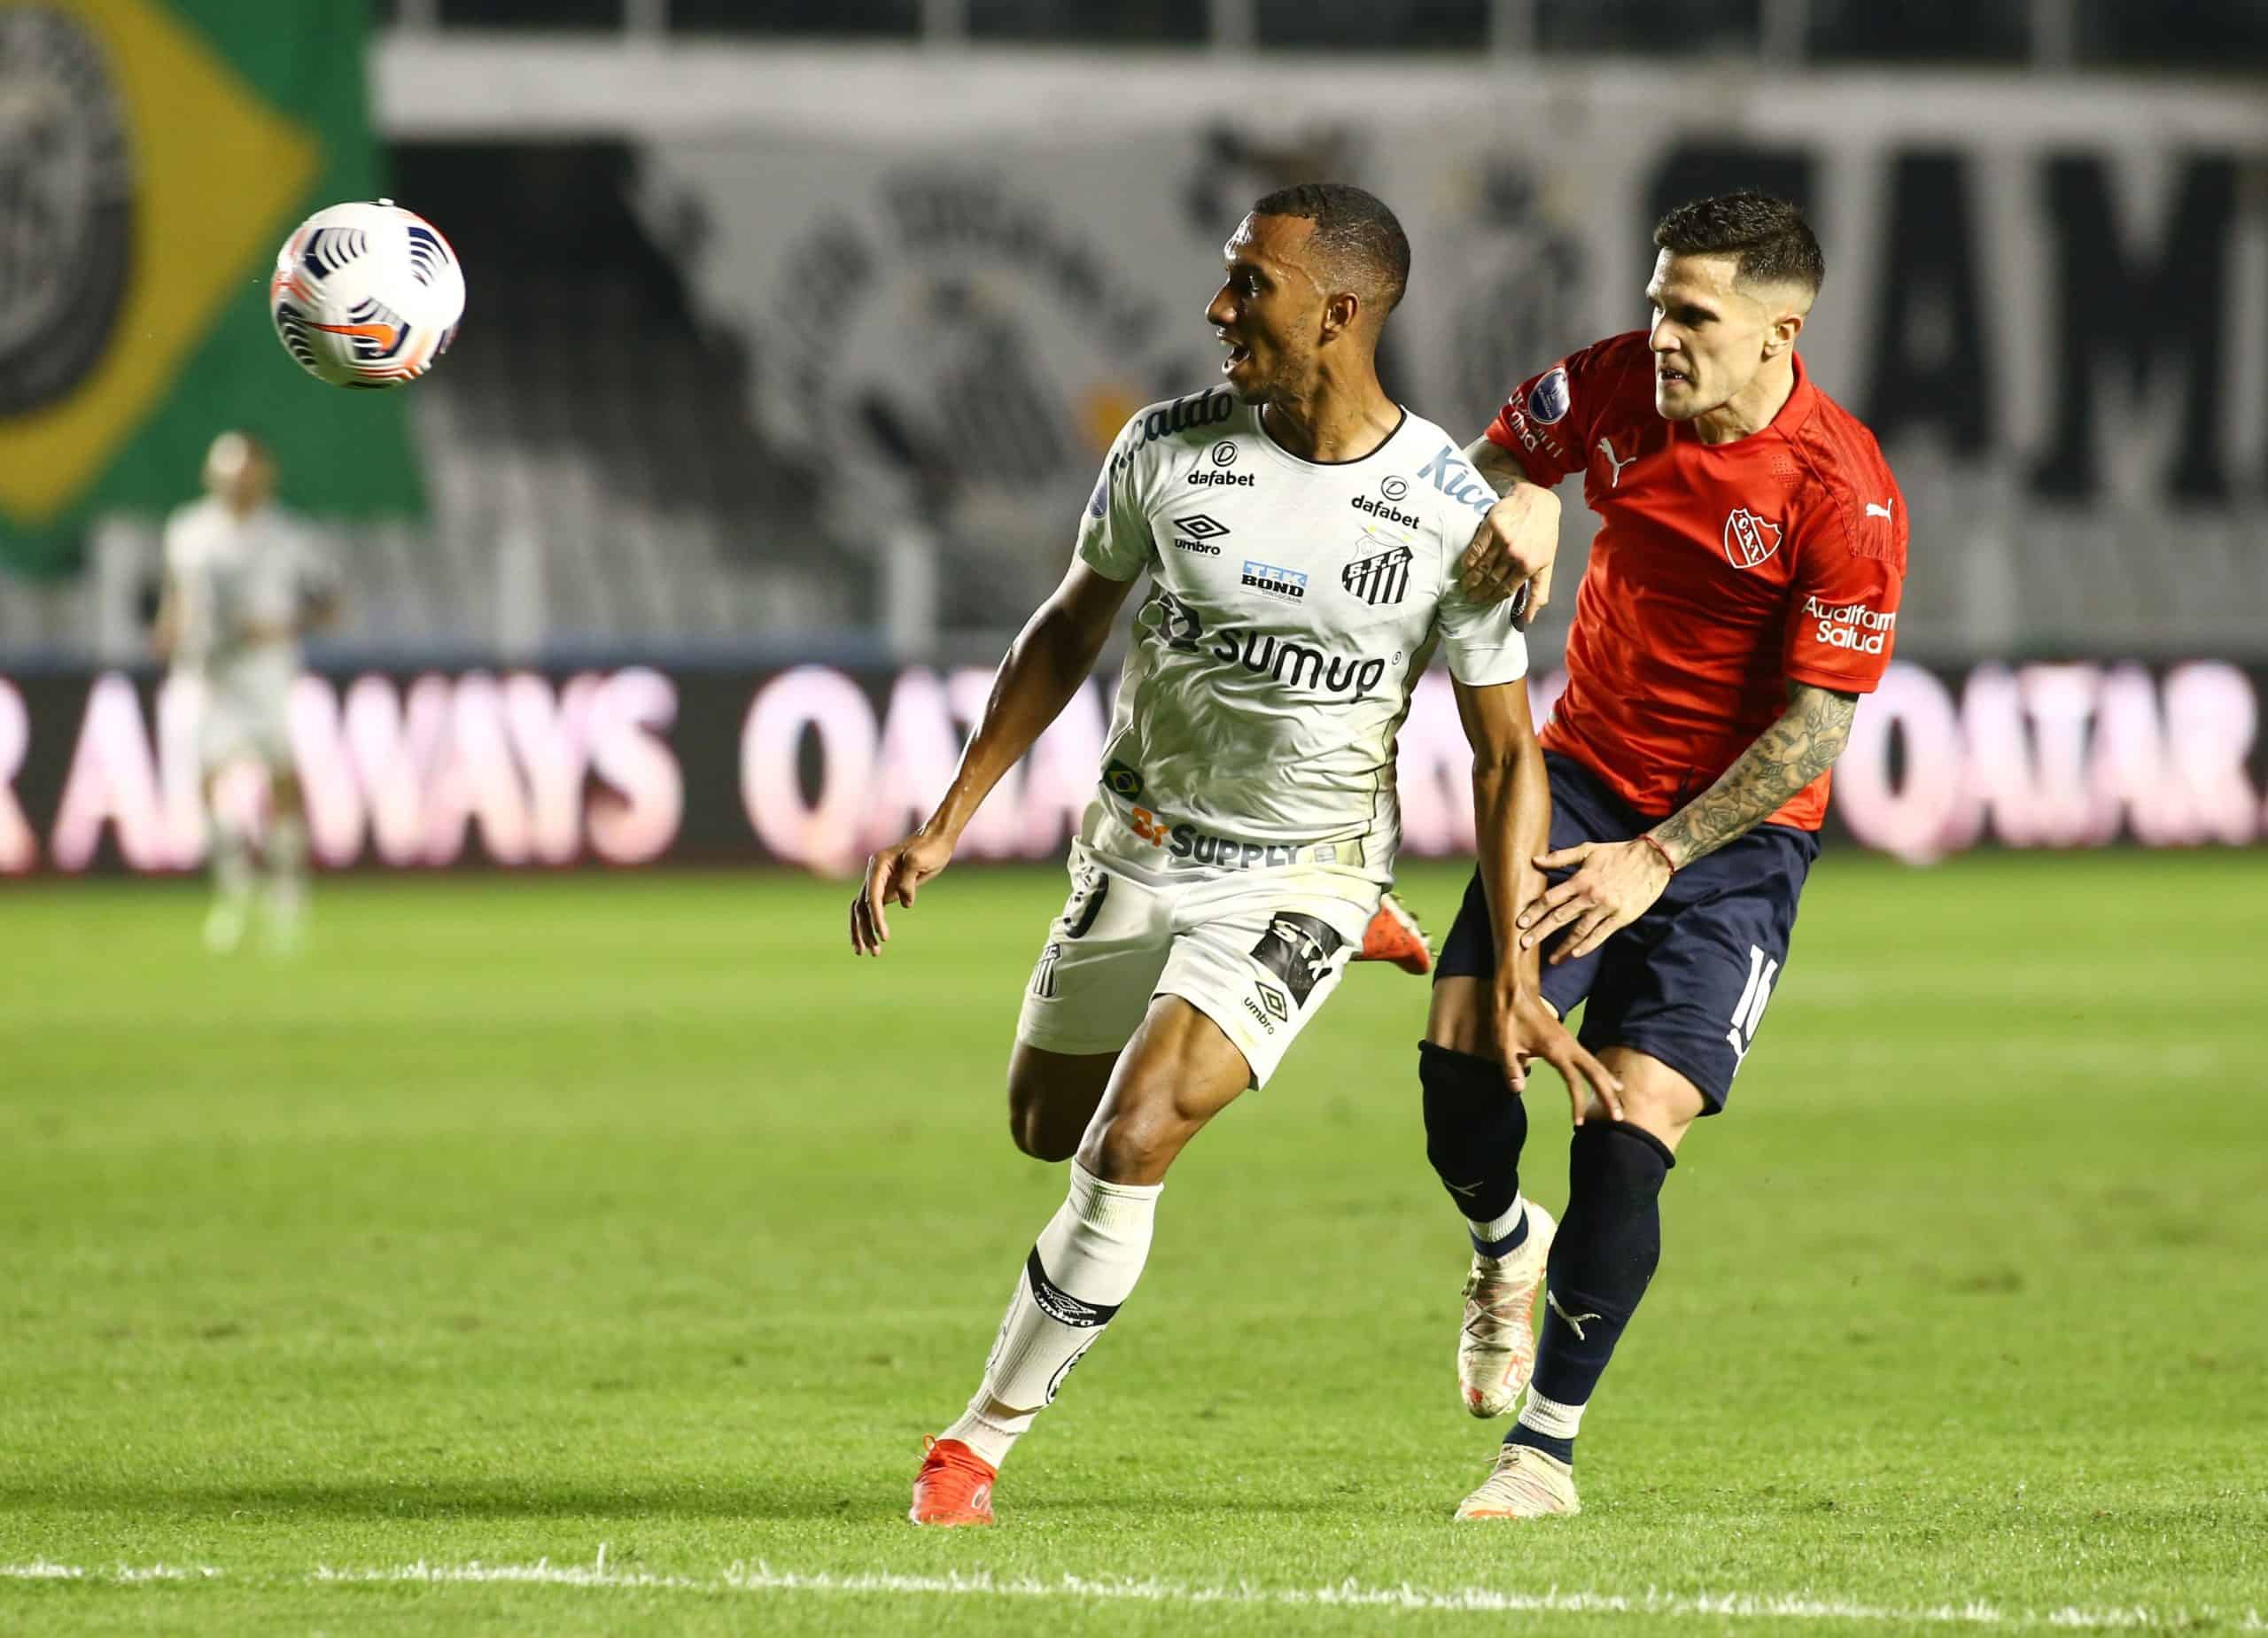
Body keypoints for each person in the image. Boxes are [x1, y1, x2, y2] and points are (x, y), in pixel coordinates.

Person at [849, 182, 1619, 1527]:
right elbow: (1068, 628)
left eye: (1248, 284)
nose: (1217, 307)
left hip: (1302, 869)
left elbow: (1507, 757)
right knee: (1043, 1127)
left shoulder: (1450, 512)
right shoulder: (1164, 449)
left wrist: (1513, 966)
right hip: (1138, 843)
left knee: (1129, 1137)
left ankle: (974, 1445)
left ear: (1338, 310)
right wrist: (949, 817)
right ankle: (1420, 1051)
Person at [1419, 191, 1909, 1519]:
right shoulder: (1611, 386)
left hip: (1733, 844)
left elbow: (1816, 728)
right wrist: (1522, 490)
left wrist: (1659, 857)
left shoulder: (1845, 493)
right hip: (1582, 781)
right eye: (1655, 303)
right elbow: (1460, 471)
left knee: (1630, 1127)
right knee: (1463, 1061)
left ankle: (1542, 1453)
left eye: (1692, 314)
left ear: (1778, 335)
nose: (1660, 335)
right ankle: (1502, 1242)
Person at [152, 431, 338, 953]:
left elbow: (328, 606)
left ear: (265, 477)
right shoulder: (187, 531)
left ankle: (286, 889)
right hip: (204, 674)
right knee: (205, 780)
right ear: (212, 477)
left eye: (247, 475)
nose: (238, 485)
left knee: (281, 779)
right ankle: (233, 887)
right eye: (230, 476)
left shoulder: (290, 536)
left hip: (267, 677)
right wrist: (168, 630)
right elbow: (177, 596)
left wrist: (278, 628)